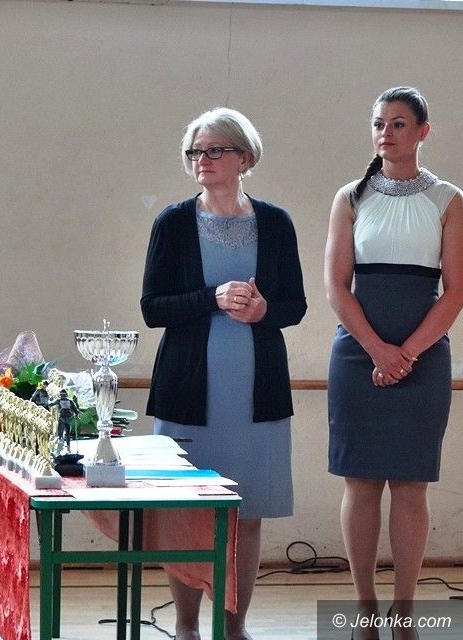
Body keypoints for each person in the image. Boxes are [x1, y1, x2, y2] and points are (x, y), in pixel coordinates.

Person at [141, 107, 306, 640]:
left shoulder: (276, 223)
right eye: (195, 151)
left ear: (245, 157)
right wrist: (212, 298)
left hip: (256, 393)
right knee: (184, 515)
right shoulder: (172, 223)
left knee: (247, 513)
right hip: (188, 392)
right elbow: (152, 308)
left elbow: (296, 305)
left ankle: (235, 627)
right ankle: (187, 627)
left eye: (215, 150)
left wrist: (264, 310)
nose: (202, 160)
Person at [324, 86, 463, 640]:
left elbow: (456, 292)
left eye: (399, 123)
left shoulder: (448, 199)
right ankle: (364, 609)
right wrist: (377, 350)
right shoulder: (350, 197)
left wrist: (405, 354)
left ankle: (404, 611)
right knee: (361, 483)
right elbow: (337, 288)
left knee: (410, 486)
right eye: (379, 123)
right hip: (357, 354)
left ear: (423, 131)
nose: (386, 132)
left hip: (423, 357)